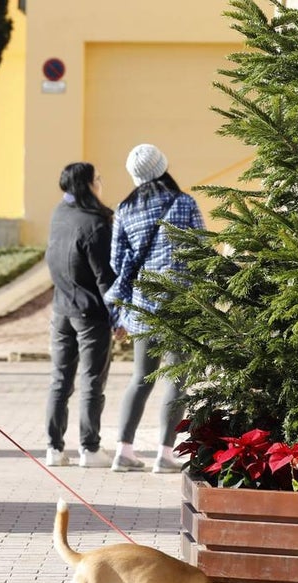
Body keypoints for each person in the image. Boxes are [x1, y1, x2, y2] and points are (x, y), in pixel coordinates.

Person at [105, 144, 205, 474]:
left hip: (143, 306)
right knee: (177, 378)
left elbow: (117, 262)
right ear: (163, 167)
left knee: (140, 378)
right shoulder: (184, 203)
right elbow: (200, 248)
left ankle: (123, 451)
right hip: (179, 302)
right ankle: (165, 453)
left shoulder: (124, 208)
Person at [44, 162, 117, 468]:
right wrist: (118, 315)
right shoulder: (96, 222)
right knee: (91, 381)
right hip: (90, 313)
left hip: (61, 307)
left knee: (60, 380)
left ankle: (54, 448)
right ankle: (90, 449)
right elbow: (104, 277)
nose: (100, 183)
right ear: (87, 185)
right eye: (97, 179)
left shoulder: (58, 215)